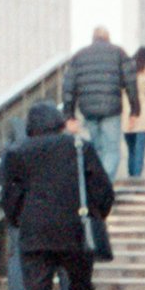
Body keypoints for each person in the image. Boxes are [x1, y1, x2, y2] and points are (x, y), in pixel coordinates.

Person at [0, 101, 114, 290]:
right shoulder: (79, 147)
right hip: (75, 233)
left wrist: (21, 220)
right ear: (60, 123)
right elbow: (103, 190)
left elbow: (9, 200)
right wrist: (97, 212)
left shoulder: (16, 154)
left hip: (34, 237)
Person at [60, 25, 135, 184]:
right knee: (112, 150)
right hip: (112, 109)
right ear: (108, 38)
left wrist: (69, 114)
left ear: (93, 38)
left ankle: (96, 188)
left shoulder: (79, 56)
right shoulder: (118, 53)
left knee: (97, 149)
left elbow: (68, 87)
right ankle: (104, 186)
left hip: (88, 109)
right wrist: (135, 109)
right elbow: (131, 82)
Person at [123, 47, 145, 179]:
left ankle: (131, 175)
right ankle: (136, 178)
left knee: (131, 149)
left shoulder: (126, 72)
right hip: (143, 113)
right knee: (140, 149)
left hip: (126, 114)